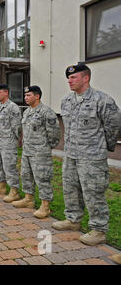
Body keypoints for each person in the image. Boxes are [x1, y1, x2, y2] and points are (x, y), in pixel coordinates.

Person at [52, 63, 121, 246]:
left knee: (93, 192)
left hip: (92, 157)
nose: (69, 80)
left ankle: (99, 229)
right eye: (68, 78)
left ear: (86, 78)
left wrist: (104, 147)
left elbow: (113, 127)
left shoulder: (103, 100)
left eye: (73, 77)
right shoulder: (67, 100)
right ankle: (73, 220)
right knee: (70, 188)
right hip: (71, 154)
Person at [12, 86, 60, 218]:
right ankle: (29, 199)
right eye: (25, 95)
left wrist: (46, 147)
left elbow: (54, 134)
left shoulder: (46, 112)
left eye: (29, 95)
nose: (25, 98)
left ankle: (45, 206)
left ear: (37, 96)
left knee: (43, 178)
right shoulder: (27, 112)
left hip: (40, 152)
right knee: (26, 175)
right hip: (27, 150)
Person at [0, 84, 22, 203]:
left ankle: (14, 191)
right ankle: (1, 186)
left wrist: (13, 140)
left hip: (8, 142)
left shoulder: (13, 107)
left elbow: (17, 127)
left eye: (0, 92)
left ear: (6, 93)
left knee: (9, 166)